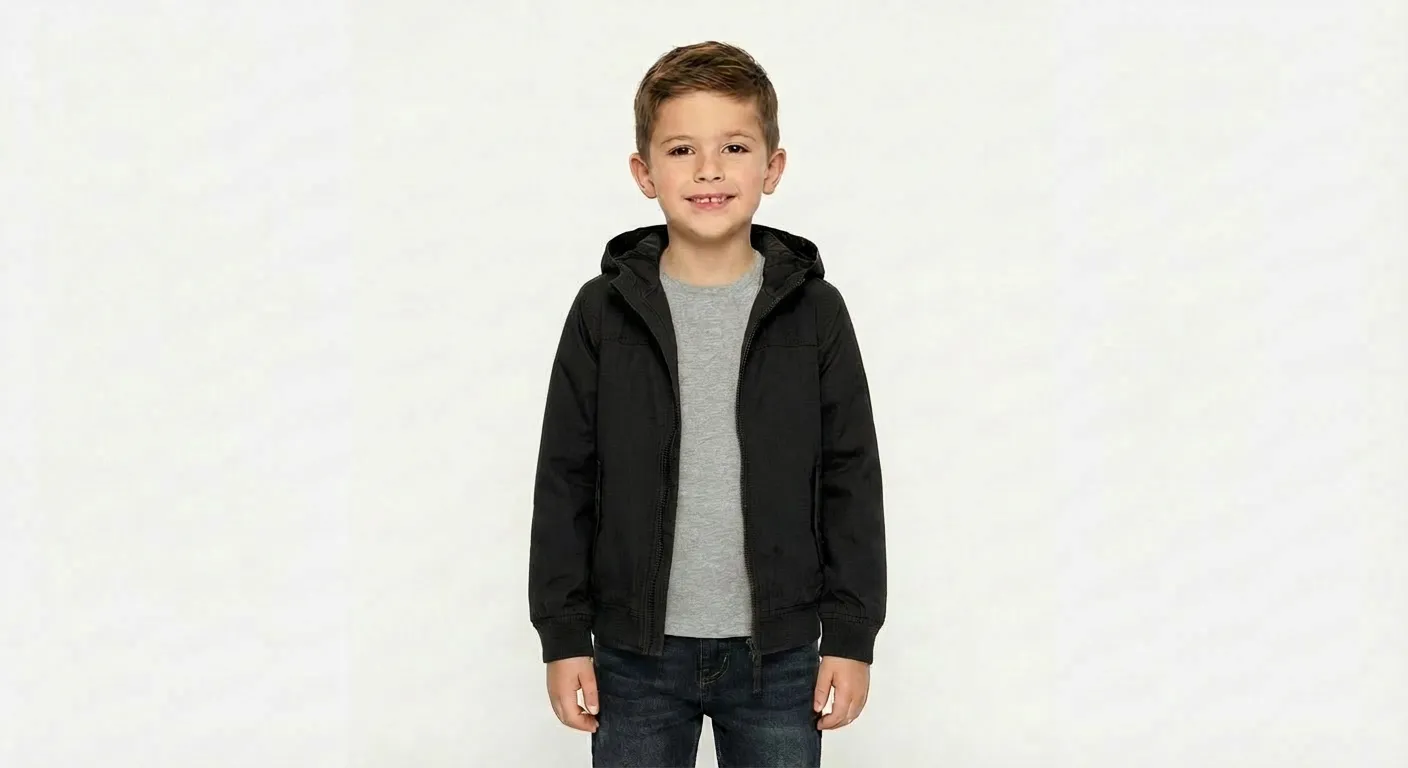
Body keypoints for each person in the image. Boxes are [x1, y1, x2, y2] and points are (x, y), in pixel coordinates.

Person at [527, 40, 886, 768]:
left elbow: (852, 476)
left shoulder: (816, 312)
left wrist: (850, 635)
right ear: (644, 173)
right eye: (682, 149)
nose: (709, 169)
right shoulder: (602, 312)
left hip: (779, 658)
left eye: (734, 147)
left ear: (772, 168)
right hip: (633, 656)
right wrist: (564, 636)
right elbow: (564, 477)